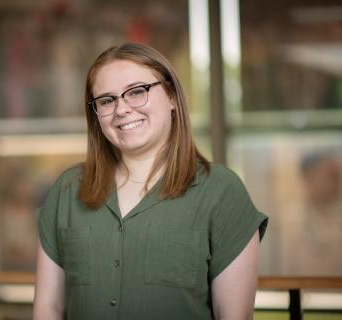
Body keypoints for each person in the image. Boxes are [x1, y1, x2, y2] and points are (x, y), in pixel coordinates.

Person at [34, 42, 268, 319]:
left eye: (136, 92)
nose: (122, 109)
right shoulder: (68, 189)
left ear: (171, 96)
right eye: (107, 100)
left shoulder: (222, 192)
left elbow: (233, 316)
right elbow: (48, 308)